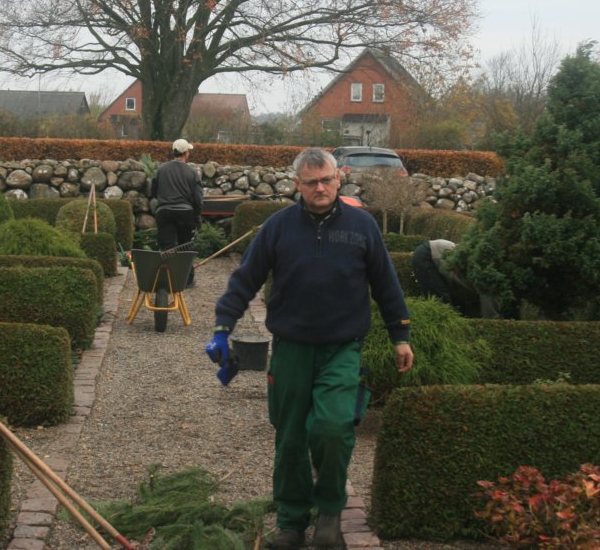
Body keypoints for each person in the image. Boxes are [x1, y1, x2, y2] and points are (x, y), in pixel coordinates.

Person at [205, 148, 414, 550]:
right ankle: (291, 522)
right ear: (297, 185)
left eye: (327, 180)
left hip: (342, 348)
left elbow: (386, 284)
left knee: (333, 430)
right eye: (311, 182)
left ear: (339, 179)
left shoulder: (362, 226)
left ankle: (330, 515)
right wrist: (222, 327)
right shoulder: (278, 228)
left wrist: (400, 336)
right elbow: (245, 279)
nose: (321, 188)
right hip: (291, 349)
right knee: (290, 438)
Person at [150, 138, 203, 285]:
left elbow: (153, 191)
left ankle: (166, 279)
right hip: (185, 213)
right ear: (186, 153)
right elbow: (198, 199)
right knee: (185, 246)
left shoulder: (161, 169)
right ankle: (187, 280)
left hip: (164, 212)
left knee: (166, 247)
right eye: (188, 151)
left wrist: (164, 200)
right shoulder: (192, 173)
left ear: (174, 152)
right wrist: (197, 217)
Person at [411, 239, 502, 318]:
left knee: (452, 305)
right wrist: (493, 322)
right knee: (441, 305)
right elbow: (490, 311)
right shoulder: (489, 280)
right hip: (429, 254)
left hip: (435, 253)